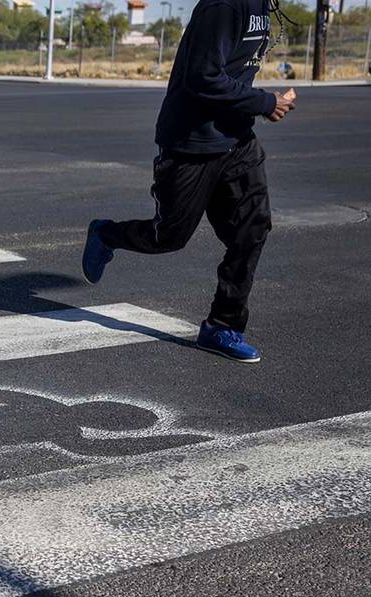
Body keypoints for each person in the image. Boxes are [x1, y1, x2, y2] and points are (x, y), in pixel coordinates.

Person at [83, 0, 296, 363]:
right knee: (168, 237)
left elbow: (234, 71)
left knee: (252, 229)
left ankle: (221, 325)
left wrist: (258, 106)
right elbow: (203, 77)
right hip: (190, 143)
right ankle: (106, 234)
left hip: (237, 142)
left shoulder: (261, 4)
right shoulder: (223, 5)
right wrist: (264, 102)